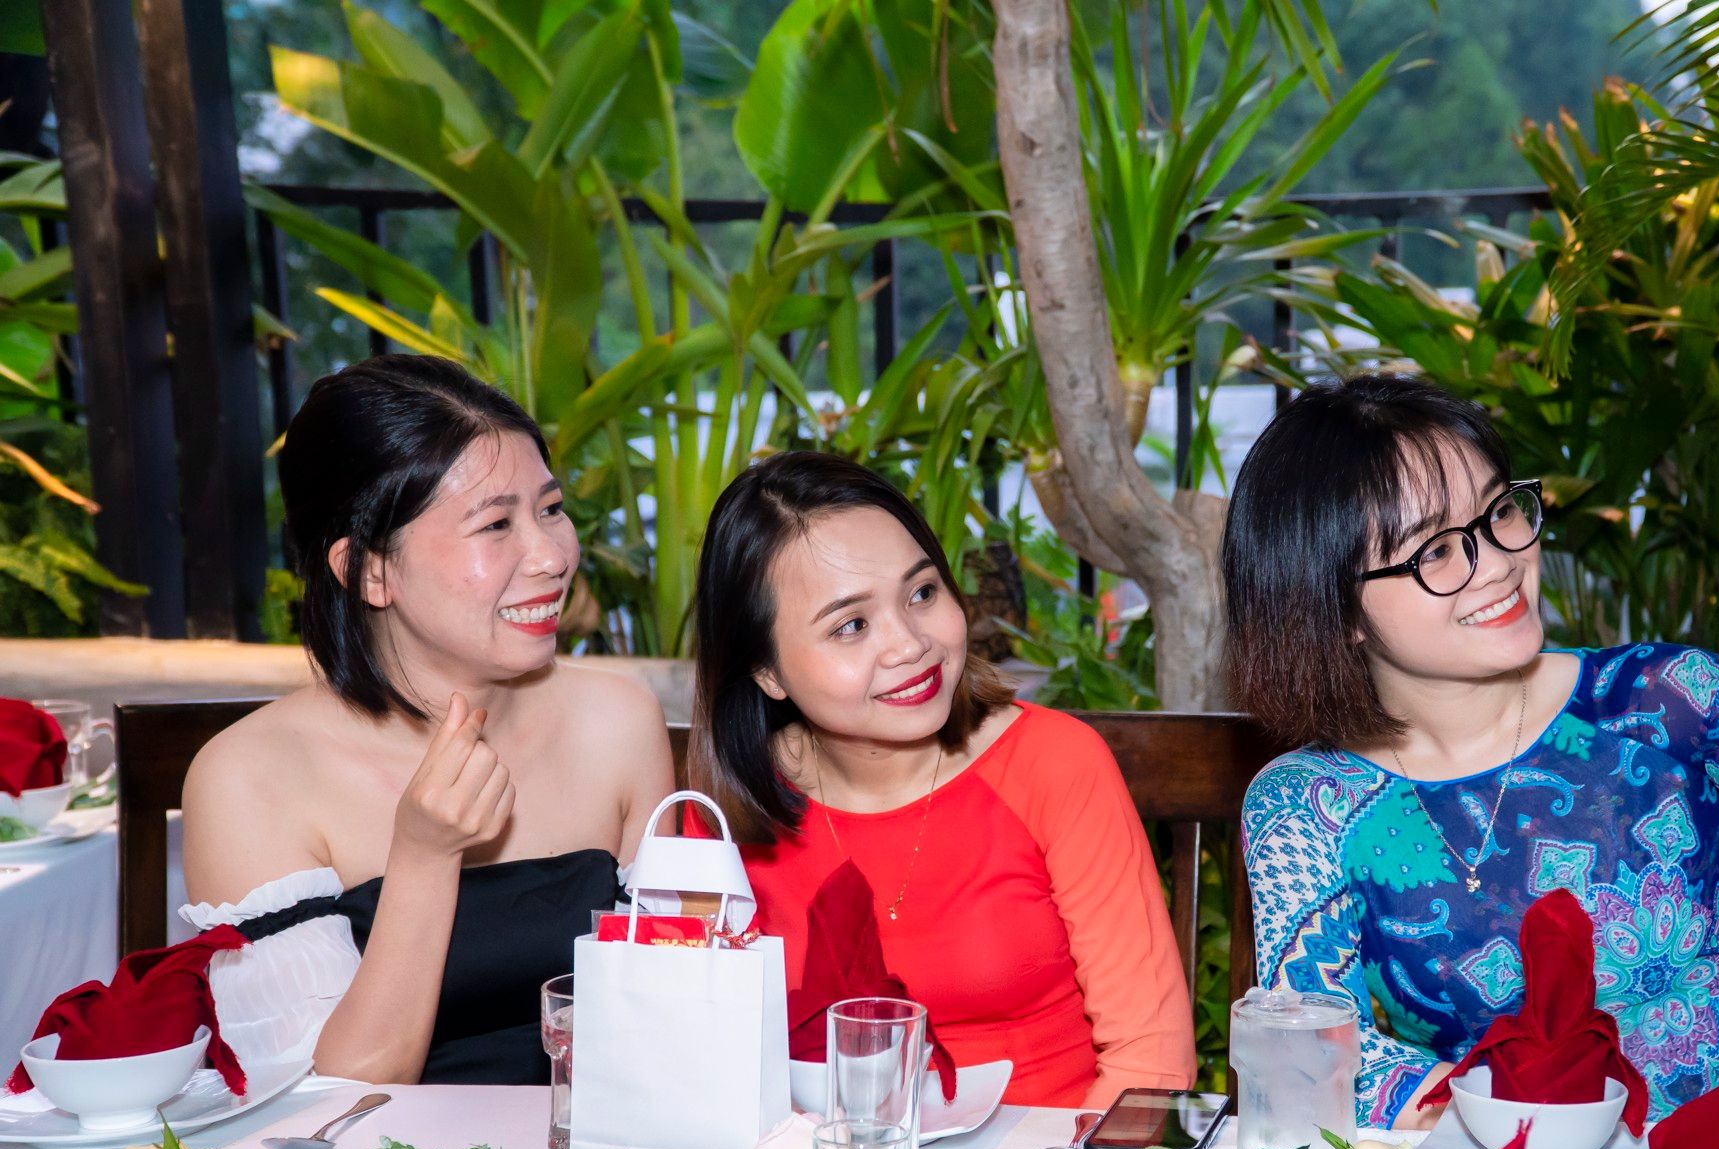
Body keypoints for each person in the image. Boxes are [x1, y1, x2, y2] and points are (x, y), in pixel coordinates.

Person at [1222, 373, 1719, 1130]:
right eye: (1436, 550)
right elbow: (1314, 1052)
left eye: (1498, 511)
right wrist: (1527, 1135)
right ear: (1336, 611)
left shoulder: (1666, 699)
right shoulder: (1307, 804)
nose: (1500, 563)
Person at [181, 356, 675, 1085]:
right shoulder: (250, 778)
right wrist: (422, 857)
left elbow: (667, 1019)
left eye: (550, 508)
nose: (551, 556)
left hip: (591, 1139)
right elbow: (312, 1104)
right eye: (496, 524)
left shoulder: (615, 721)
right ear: (369, 570)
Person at [688, 451, 1196, 1108]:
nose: (910, 644)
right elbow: (699, 1056)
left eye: (922, 593)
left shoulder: (1055, 763)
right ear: (767, 672)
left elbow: (1149, 1059)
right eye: (851, 625)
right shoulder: (727, 812)